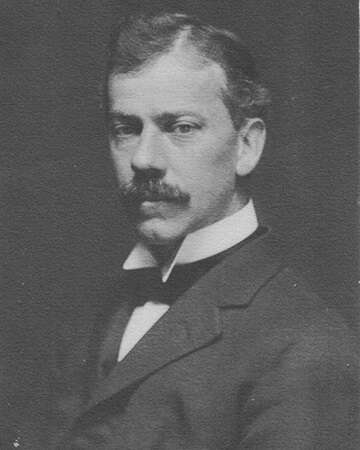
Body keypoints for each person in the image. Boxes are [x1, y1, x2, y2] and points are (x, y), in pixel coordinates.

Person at [45, 12, 357, 449]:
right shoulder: (91, 314)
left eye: (180, 127)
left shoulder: (306, 346)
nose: (144, 159)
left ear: (246, 146)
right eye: (126, 129)